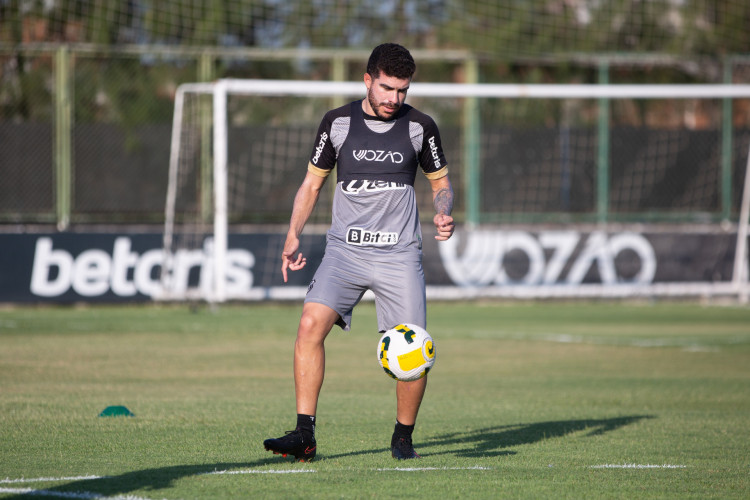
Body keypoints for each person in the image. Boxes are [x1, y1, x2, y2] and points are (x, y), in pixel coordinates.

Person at [263, 43, 455, 462]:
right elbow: (312, 183)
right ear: (367, 80)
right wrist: (293, 234)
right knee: (310, 323)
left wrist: (444, 212)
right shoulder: (337, 123)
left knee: (414, 350)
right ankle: (304, 435)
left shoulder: (421, 127)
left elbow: (441, 185)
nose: (394, 99)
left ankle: (403, 438)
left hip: (398, 255)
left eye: (402, 90)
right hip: (344, 253)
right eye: (387, 88)